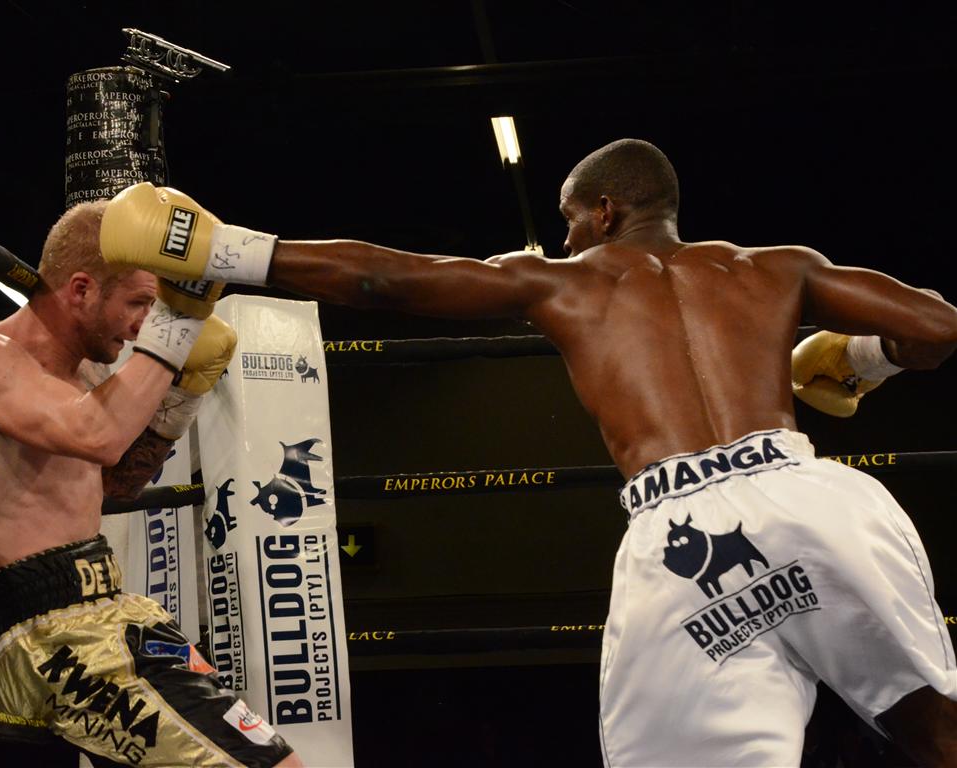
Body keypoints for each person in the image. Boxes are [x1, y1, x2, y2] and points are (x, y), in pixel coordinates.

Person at [98, 140, 957, 767]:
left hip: (687, 530)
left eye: (571, 219)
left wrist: (224, 249)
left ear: (603, 211)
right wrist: (863, 359)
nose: (568, 237)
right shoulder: (777, 267)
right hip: (815, 494)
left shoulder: (567, 279)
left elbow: (387, 278)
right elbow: (936, 325)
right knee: (929, 726)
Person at [0, 199, 301, 767]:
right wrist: (181, 320)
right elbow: (98, 435)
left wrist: (182, 398)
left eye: (155, 309)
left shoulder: (86, 374)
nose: (143, 325)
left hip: (114, 610)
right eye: (140, 304)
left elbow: (117, 483)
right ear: (81, 290)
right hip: (45, 638)